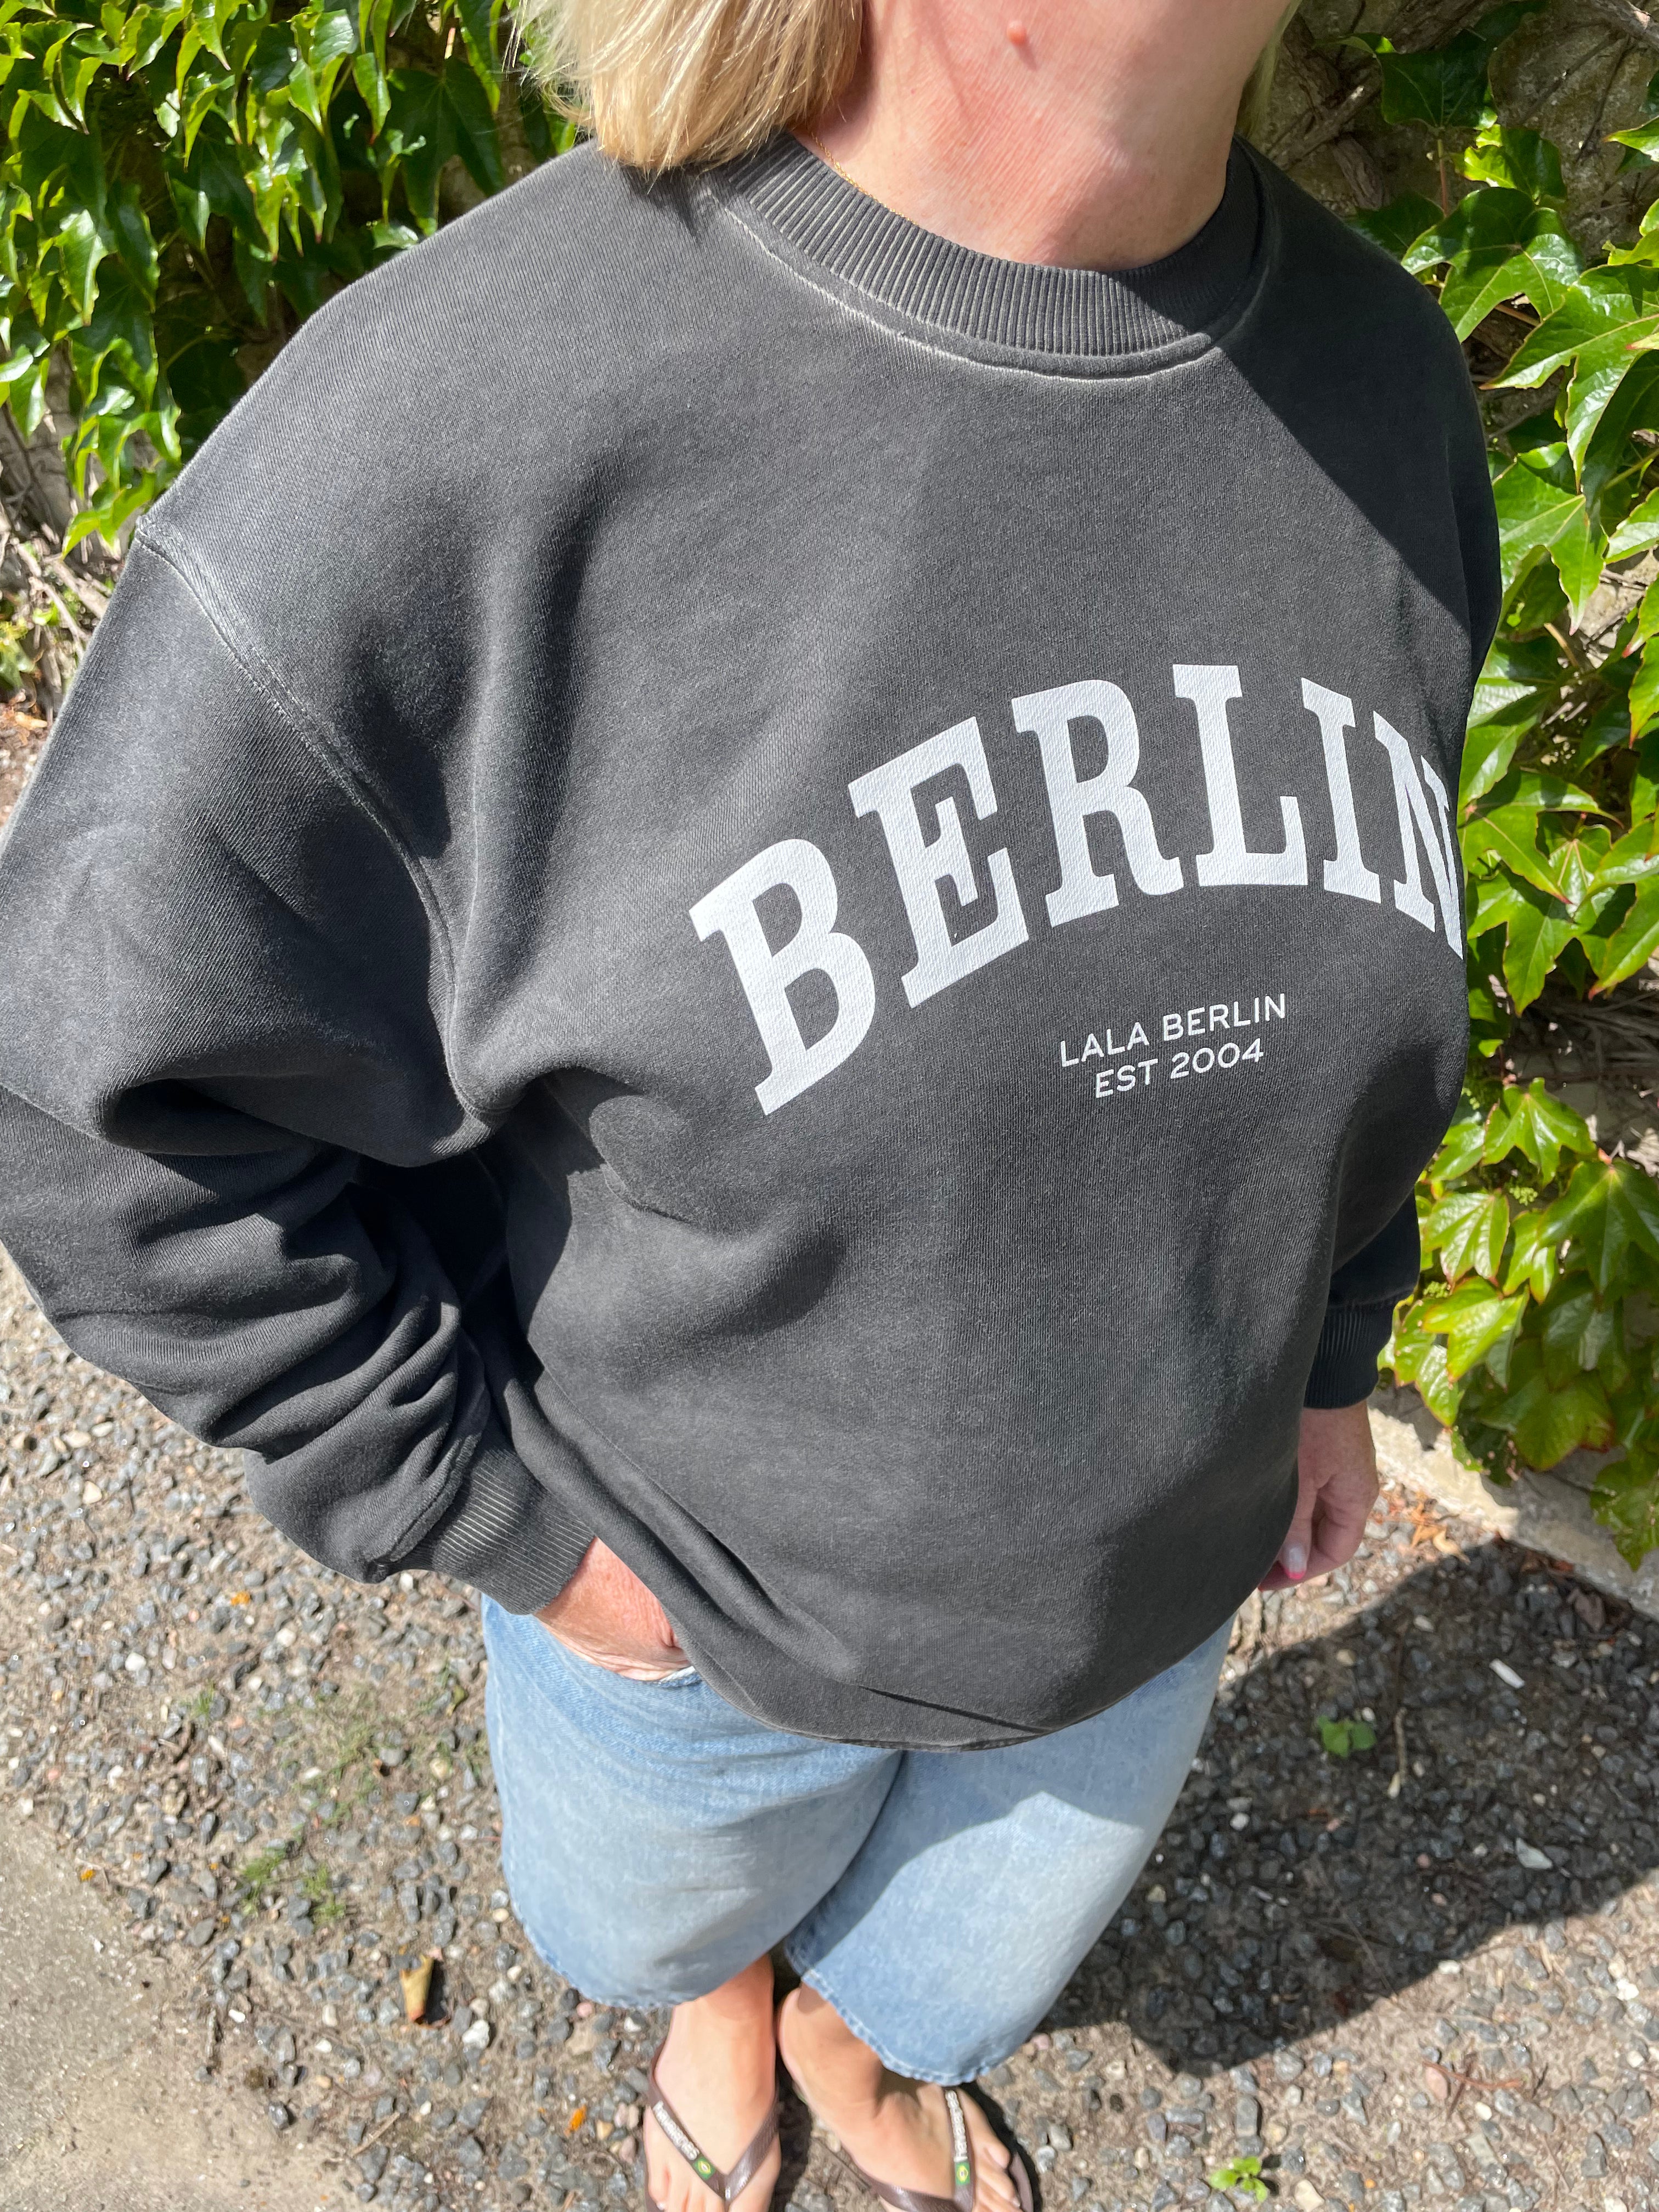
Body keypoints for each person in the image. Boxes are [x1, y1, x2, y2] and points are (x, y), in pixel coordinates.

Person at [0, 0, 1499, 2205]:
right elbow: (91, 1096)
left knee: (958, 1980)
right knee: (646, 1924)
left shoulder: (1380, 380)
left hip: (1164, 1586)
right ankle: (718, 2007)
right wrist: (510, 1530)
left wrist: (1333, 1352)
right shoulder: (464, 433)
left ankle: (850, 2044)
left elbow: (1343, 980)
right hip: (694, 1621)